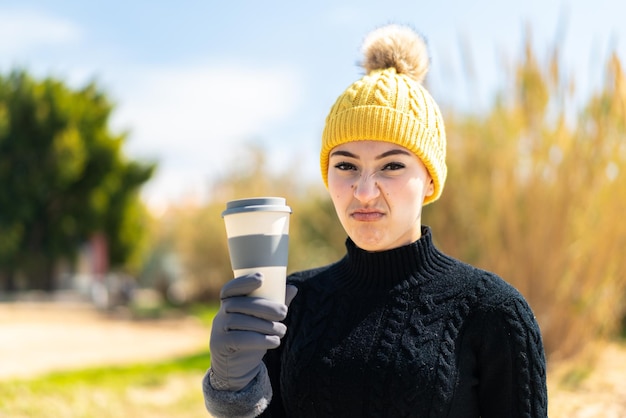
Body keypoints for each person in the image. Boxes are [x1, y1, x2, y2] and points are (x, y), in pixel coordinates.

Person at [202, 24, 548, 418]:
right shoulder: (290, 303)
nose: (364, 191)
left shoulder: (494, 311)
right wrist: (232, 388)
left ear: (431, 178)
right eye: (346, 165)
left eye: (392, 166)